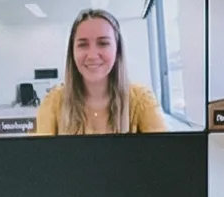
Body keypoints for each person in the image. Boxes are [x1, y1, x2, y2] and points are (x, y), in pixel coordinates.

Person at [33, 8, 167, 134]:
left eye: (103, 43)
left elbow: (164, 153)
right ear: (72, 52)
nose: (92, 55)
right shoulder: (53, 102)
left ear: (117, 50)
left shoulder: (141, 100)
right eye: (83, 44)